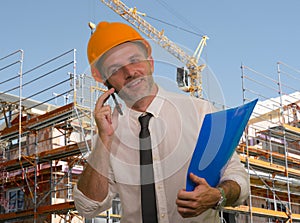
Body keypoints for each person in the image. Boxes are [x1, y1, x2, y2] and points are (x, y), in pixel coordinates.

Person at [73, 21, 249, 223]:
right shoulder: (108, 134)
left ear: (151, 63)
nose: (130, 72)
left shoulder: (201, 113)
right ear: (106, 82)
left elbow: (238, 179)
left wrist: (218, 196)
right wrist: (103, 139)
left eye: (134, 60)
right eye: (115, 69)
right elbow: (88, 207)